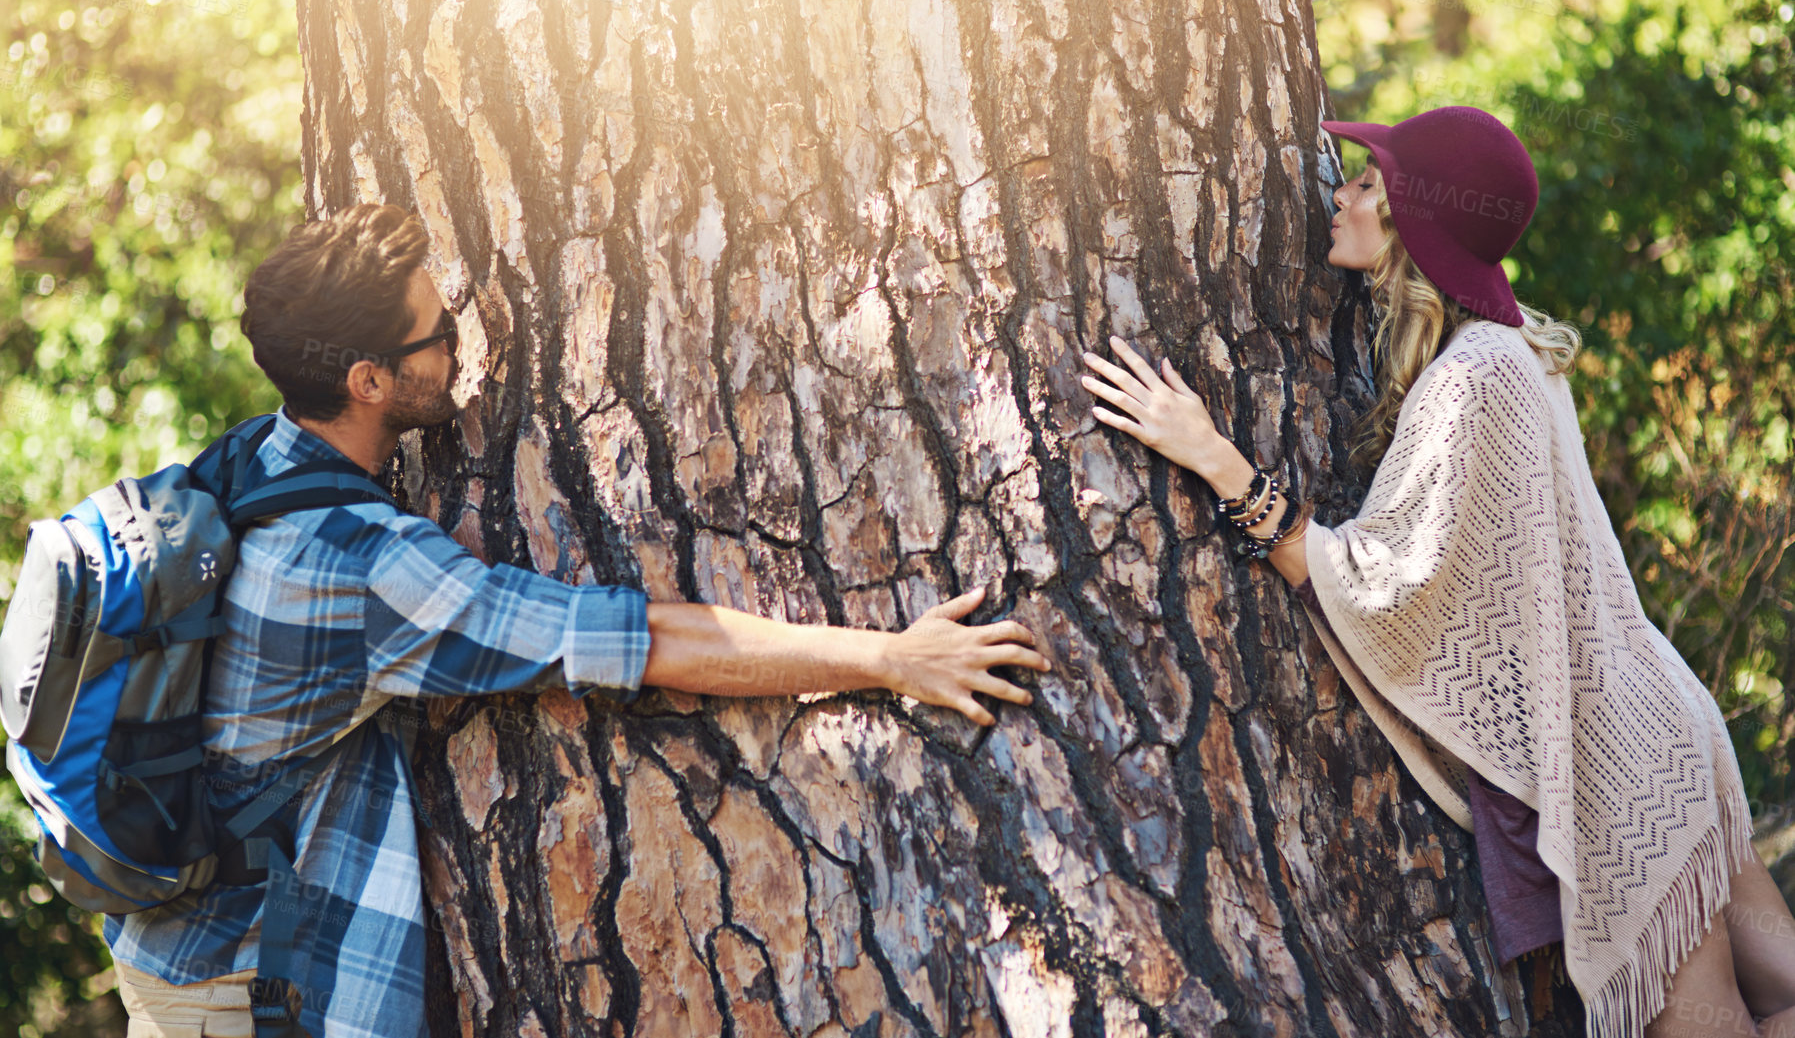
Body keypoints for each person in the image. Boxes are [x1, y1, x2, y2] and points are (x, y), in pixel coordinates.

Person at [104, 203, 1050, 1037]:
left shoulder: (247, 463)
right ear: (368, 382)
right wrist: (890, 655)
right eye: (435, 336)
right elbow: (649, 643)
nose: (458, 348)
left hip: (168, 949)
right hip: (240, 991)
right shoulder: (366, 568)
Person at [1078, 105, 1795, 1038]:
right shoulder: (1506, 351)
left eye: (1369, 181)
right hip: (1657, 726)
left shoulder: (1475, 376)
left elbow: (1384, 591)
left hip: (1622, 774)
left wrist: (1214, 456)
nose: (1340, 193)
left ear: (1417, 220)